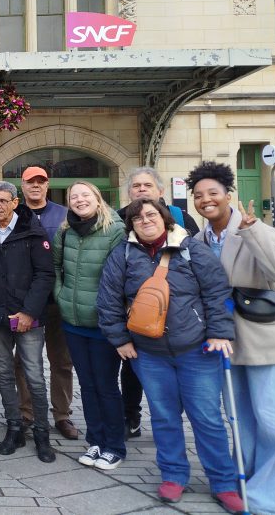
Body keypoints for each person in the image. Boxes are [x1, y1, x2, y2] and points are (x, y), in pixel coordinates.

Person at [97, 198, 243, 513]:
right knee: (164, 417)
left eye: (151, 215)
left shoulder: (192, 249)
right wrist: (120, 339)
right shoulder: (123, 254)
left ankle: (224, 483)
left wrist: (219, 332)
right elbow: (108, 299)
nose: (145, 221)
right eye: (138, 218)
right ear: (131, 225)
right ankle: (174, 475)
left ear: (164, 218)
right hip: (149, 354)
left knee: (207, 418)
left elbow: (217, 291)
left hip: (197, 350)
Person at [186, 161, 275, 515]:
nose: (206, 200)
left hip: (264, 340)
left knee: (272, 422)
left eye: (213, 193)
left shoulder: (256, 228)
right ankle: (245, 482)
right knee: (240, 420)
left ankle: (274, 495)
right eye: (199, 195)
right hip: (224, 344)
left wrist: (253, 231)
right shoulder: (197, 241)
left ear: (228, 195)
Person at [0, 181, 56, 463]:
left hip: (28, 317)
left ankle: (41, 432)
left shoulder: (32, 231)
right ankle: (14, 427)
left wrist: (29, 312)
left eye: (3, 201)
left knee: (34, 376)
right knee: (4, 373)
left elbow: (45, 275)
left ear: (15, 202)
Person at [116, 166, 200, 439]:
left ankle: (170, 419)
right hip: (136, 312)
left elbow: (198, 260)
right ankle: (131, 416)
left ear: (160, 191)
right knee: (131, 368)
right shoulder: (117, 219)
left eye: (147, 185)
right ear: (129, 192)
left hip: (178, 315)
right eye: (136, 186)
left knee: (175, 373)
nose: (141, 189)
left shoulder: (181, 218)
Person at [52, 182, 126, 470]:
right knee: (87, 384)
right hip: (73, 322)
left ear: (98, 199)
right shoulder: (66, 231)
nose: (79, 200)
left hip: (104, 323)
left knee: (106, 385)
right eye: (74, 196)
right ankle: (95, 441)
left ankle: (114, 446)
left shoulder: (115, 230)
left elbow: (121, 276)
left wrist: (111, 311)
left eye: (85, 195)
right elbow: (56, 267)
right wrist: (61, 296)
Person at [15, 166, 78, 440]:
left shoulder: (64, 215)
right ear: (22, 185)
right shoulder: (15, 214)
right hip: (24, 301)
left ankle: (62, 415)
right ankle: (26, 413)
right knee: (23, 361)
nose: (36, 186)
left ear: (47, 185)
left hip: (56, 300)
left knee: (61, 361)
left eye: (41, 181)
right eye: (31, 182)